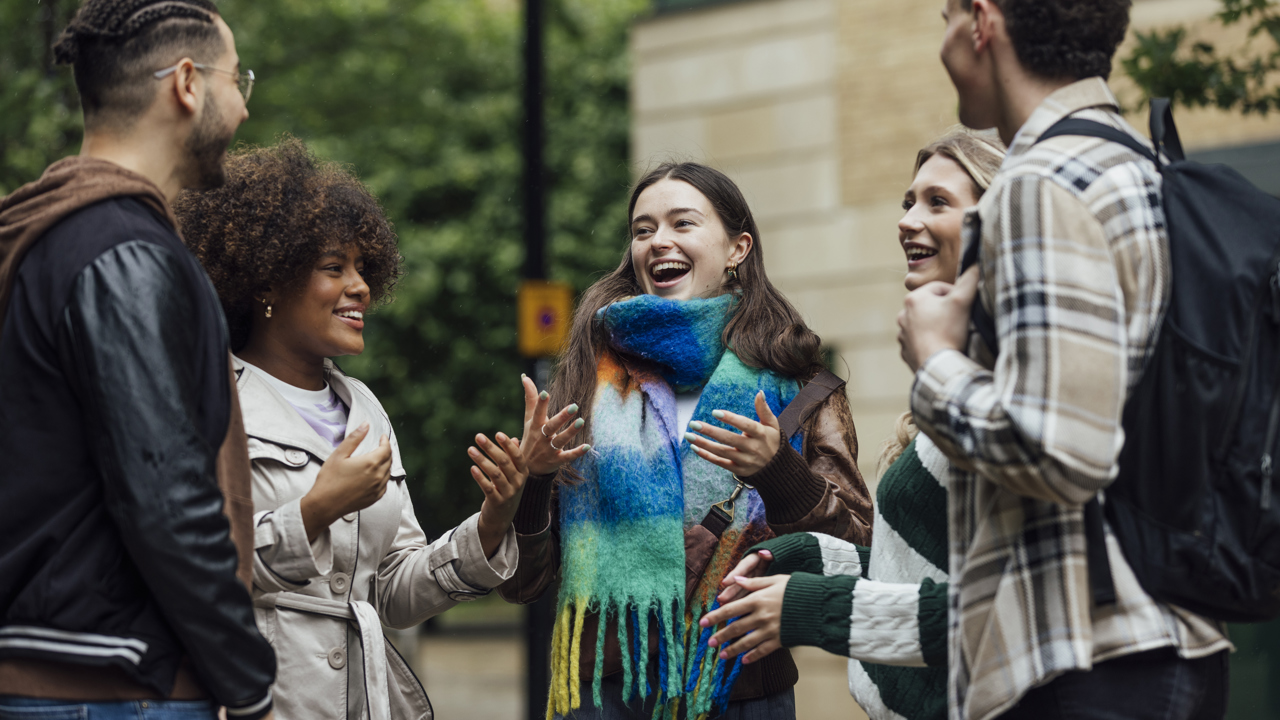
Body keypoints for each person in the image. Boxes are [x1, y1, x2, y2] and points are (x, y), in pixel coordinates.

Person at [896, 1, 1231, 718]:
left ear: (982, 21)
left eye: (945, 16)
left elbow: (1059, 449)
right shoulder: (1141, 164)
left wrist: (935, 362)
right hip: (1161, 638)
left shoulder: (1042, 181)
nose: (944, 40)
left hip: (1083, 658)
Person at [500, 162, 875, 720]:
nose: (659, 241)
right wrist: (534, 481)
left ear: (737, 249)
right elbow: (523, 582)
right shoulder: (586, 379)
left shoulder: (798, 385)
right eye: (643, 229)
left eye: (682, 223)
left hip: (741, 690)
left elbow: (859, 552)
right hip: (605, 692)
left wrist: (778, 472)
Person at [174, 137, 526, 720]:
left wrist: (491, 523)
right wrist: (313, 512)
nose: (360, 286)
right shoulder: (211, 400)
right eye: (333, 268)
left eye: (364, 268)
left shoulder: (364, 408)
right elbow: (192, 566)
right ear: (266, 282)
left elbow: (393, 592)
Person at [0, 1, 275, 717]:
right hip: (114, 690)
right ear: (187, 83)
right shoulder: (122, 252)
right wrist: (247, 681)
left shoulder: (51, 236)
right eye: (237, 79)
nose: (244, 107)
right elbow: (164, 498)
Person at [699, 130, 1006, 720]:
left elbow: (1007, 611)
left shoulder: (1012, 383)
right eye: (908, 202)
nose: (907, 220)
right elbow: (913, 571)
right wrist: (806, 556)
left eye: (937, 202)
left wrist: (810, 605)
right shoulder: (958, 375)